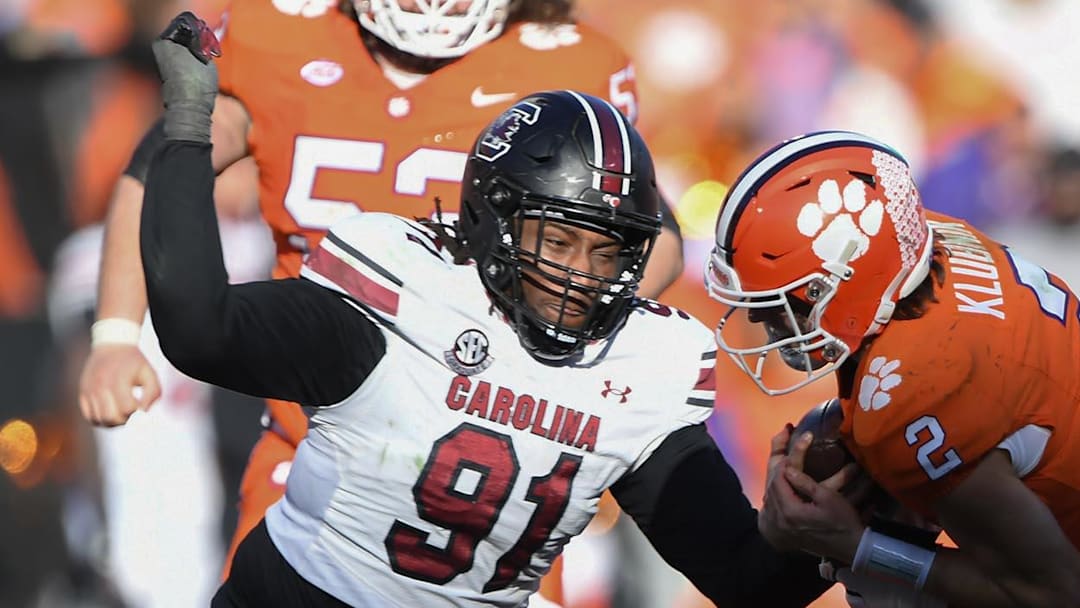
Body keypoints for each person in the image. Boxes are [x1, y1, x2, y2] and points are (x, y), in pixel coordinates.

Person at [139, 19, 837, 607]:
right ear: (493, 219)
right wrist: (187, 129)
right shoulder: (402, 291)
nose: (580, 276)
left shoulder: (636, 364)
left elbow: (746, 581)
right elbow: (199, 329)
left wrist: (842, 516)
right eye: (558, 240)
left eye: (608, 251)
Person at [77, 0, 684, 583]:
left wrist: (541, 341)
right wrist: (114, 333)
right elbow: (164, 164)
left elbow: (650, 238)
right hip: (310, 440)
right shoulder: (275, 33)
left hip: (481, 462)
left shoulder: (571, 59)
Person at [704, 130, 1080, 606]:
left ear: (845, 275)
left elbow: (1054, 593)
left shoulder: (915, 399)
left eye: (780, 301)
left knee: (867, 556)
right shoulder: (929, 236)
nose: (760, 320)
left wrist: (857, 547)